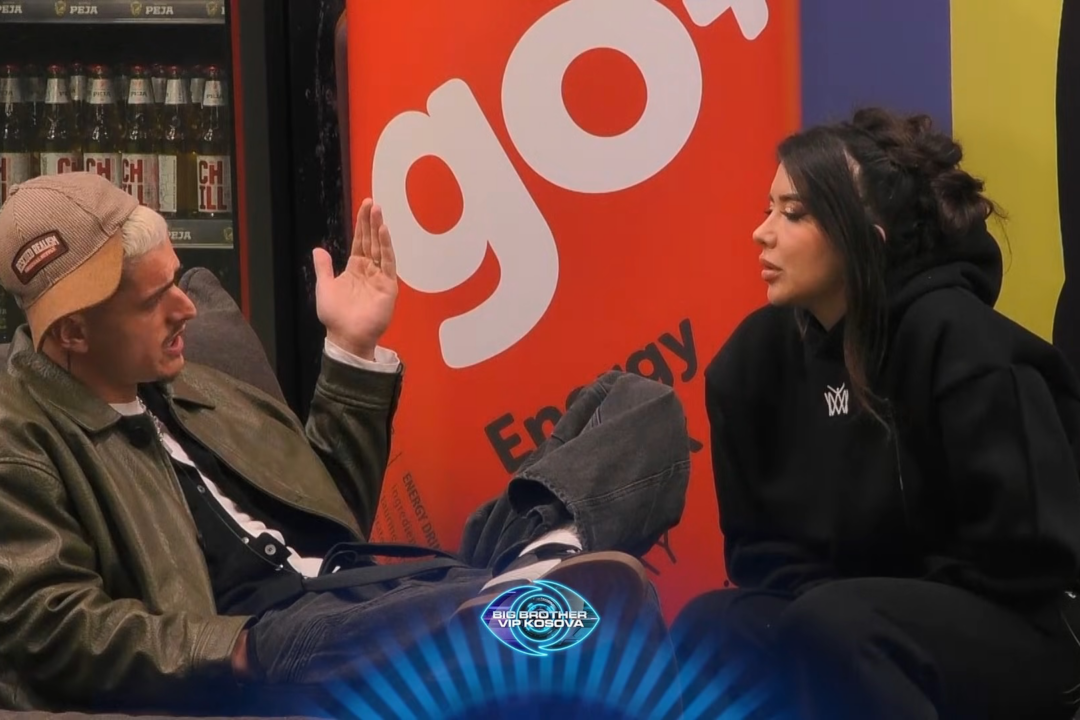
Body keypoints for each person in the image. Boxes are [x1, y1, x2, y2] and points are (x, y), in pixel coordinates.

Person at [0, 173, 691, 714]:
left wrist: (353, 348)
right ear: (74, 333)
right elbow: (52, 624)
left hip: (368, 586)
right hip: (274, 637)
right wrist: (232, 647)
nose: (185, 308)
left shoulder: (189, 381)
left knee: (635, 405)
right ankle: (517, 597)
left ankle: (526, 575)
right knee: (577, 618)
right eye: (153, 300)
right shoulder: (22, 438)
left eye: (176, 281)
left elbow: (330, 511)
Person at [672, 108, 1080, 720]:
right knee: (713, 625)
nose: (762, 233)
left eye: (794, 213)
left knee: (837, 624)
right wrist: (841, 604)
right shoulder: (752, 361)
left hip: (1021, 627)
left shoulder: (963, 344)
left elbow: (1031, 559)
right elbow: (761, 556)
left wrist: (871, 603)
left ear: (868, 237)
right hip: (848, 617)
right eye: (768, 208)